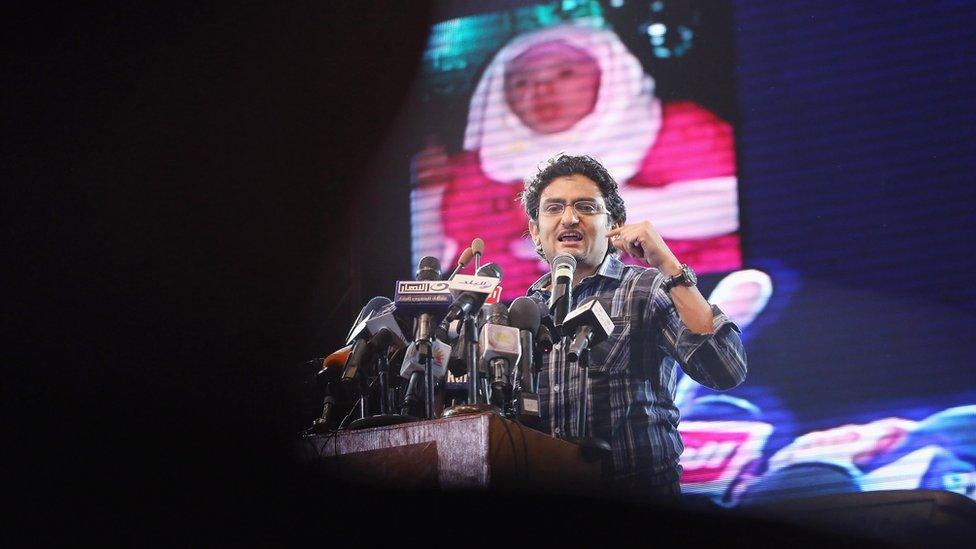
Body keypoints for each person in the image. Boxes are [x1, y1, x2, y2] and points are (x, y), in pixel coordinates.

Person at [413, 22, 740, 300]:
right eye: (521, 82)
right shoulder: (478, 171)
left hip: (672, 295)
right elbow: (434, 266)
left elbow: (731, 207)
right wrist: (427, 192)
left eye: (565, 73)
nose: (541, 90)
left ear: (606, 75)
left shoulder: (676, 130)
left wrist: (573, 213)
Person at [521, 154, 747, 501]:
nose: (569, 217)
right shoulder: (524, 312)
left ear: (615, 225)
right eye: (553, 208)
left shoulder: (646, 289)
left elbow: (725, 369)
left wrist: (666, 263)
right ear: (536, 230)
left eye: (586, 206)